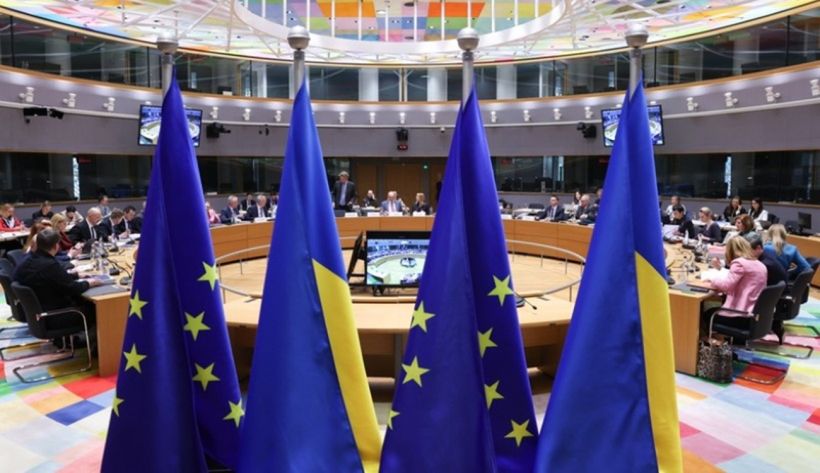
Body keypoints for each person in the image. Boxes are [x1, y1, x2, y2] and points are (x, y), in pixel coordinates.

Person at [13, 229, 101, 317]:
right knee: (97, 308)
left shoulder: (29, 259)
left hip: (37, 312)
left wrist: (76, 275)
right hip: (56, 314)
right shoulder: (49, 264)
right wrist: (89, 283)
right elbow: (72, 288)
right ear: (56, 246)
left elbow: (54, 278)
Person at [702, 237, 768, 336]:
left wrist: (712, 279)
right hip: (755, 316)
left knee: (706, 314)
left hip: (741, 316)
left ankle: (709, 342)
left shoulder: (739, 263)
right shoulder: (760, 264)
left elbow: (726, 286)